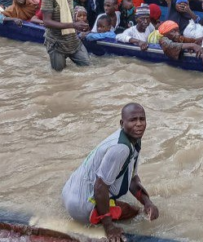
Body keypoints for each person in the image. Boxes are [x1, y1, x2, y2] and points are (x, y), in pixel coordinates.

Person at [61, 103, 159, 241]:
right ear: (122, 123)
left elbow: (132, 179)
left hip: (69, 191)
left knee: (139, 207)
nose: (139, 124)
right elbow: (100, 187)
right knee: (134, 212)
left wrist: (147, 202)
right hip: (80, 206)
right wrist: (109, 227)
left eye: (142, 119)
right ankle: (97, 217)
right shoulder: (121, 149)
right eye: (133, 120)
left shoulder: (131, 139)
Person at [42, 0, 91, 71]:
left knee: (87, 67)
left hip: (73, 40)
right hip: (56, 42)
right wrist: (73, 25)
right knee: (59, 74)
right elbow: (46, 22)